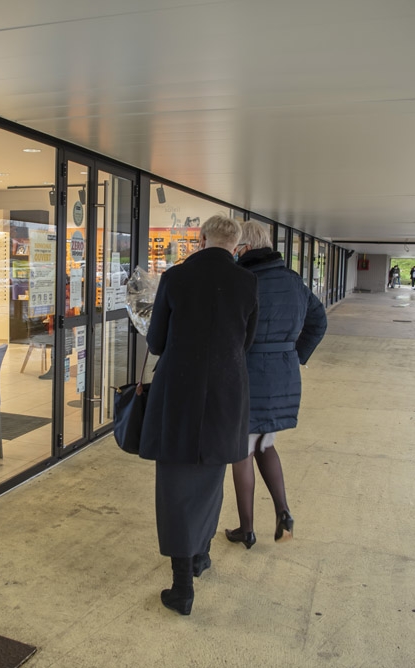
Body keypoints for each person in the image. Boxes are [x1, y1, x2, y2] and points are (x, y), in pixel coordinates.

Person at [139, 215, 260, 616]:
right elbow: (246, 342)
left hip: (179, 393)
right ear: (236, 245)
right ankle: (200, 556)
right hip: (226, 393)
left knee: (175, 485)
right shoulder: (248, 282)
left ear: (202, 238)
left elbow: (157, 342)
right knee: (211, 479)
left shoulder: (176, 278)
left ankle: (182, 588)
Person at [225, 221, 327, 550]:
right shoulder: (293, 280)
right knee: (264, 443)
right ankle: (283, 511)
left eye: (237, 246)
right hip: (283, 375)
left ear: (246, 247)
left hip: (248, 372)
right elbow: (319, 320)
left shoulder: (243, 281)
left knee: (242, 449)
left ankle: (247, 529)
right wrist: (296, 355)